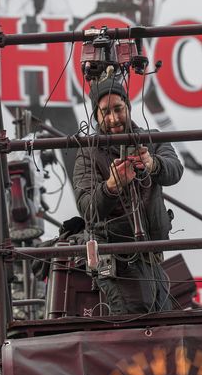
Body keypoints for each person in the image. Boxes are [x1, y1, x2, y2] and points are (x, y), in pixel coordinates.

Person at [91, 0, 202, 175]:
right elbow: (97, 19)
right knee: (112, 106)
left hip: (144, 58)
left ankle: (180, 154)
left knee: (151, 107)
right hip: (118, 60)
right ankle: (104, 153)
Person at [73, 77, 184, 314]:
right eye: (105, 112)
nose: (113, 118)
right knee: (137, 322)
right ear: (96, 116)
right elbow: (87, 209)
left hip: (150, 257)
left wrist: (153, 164)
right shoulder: (88, 153)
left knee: (162, 321)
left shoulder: (152, 139)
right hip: (117, 262)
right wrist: (111, 186)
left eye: (118, 109)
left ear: (128, 107)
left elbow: (175, 171)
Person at [0, 0, 80, 182]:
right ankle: (30, 214)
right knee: (25, 152)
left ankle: (90, 211)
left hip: (51, 83)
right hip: (22, 86)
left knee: (72, 146)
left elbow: (66, 36)